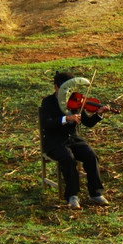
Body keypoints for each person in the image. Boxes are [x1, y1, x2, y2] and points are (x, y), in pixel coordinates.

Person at [40, 71, 110, 208]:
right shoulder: (48, 102)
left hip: (74, 139)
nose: (68, 92)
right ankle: (72, 196)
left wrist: (98, 114)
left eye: (71, 88)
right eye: (65, 88)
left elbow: (88, 122)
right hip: (55, 142)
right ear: (56, 87)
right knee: (68, 159)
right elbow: (47, 124)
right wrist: (66, 119)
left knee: (91, 156)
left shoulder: (76, 100)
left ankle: (96, 193)